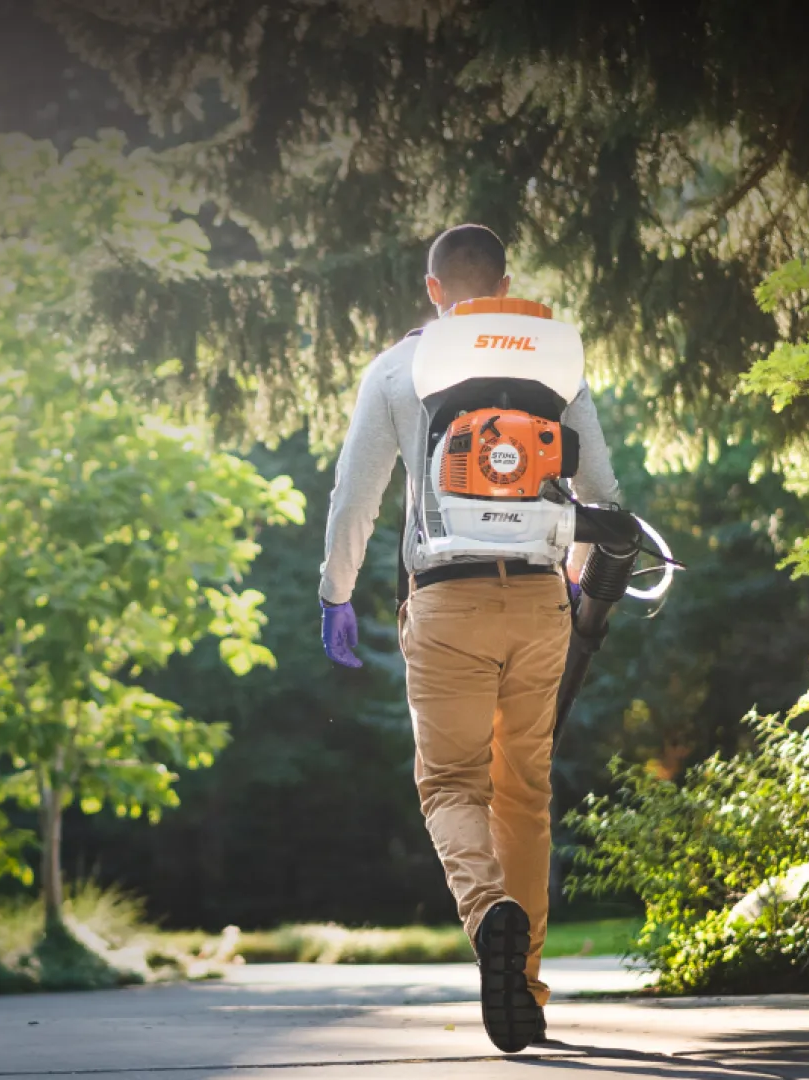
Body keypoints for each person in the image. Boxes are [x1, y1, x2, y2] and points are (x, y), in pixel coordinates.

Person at [316, 224, 620, 1053]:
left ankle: (492, 917)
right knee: (523, 794)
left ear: (433, 289)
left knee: (451, 784)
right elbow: (603, 494)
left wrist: (335, 595)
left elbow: (355, 499)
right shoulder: (556, 366)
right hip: (538, 599)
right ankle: (524, 985)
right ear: (505, 282)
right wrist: (569, 583)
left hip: (444, 601)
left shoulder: (394, 368)